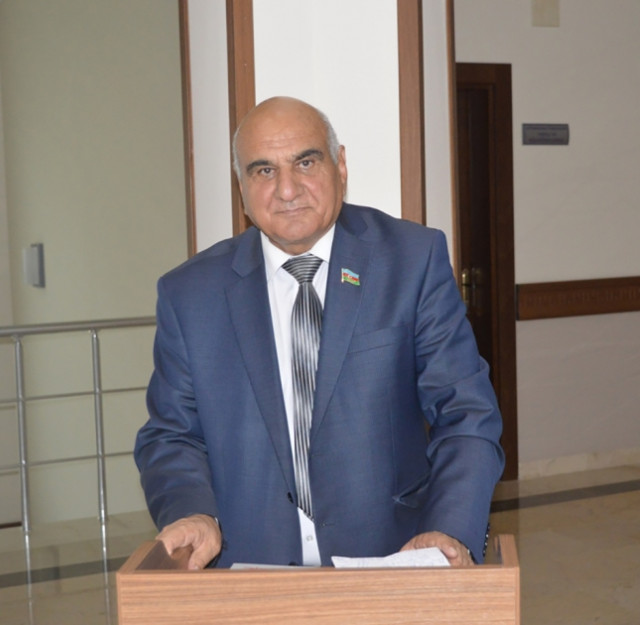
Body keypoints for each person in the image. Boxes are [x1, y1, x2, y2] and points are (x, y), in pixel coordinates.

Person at [134, 96, 504, 569]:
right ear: (241, 186)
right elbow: (171, 435)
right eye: (263, 170)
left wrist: (448, 528)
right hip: (247, 572)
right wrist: (192, 512)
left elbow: (466, 413)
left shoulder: (411, 261)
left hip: (391, 562)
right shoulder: (189, 294)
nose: (287, 190)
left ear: (340, 165)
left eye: (305, 162)